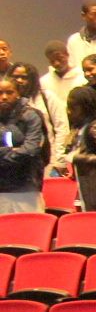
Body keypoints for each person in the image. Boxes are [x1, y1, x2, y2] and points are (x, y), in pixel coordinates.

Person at [0, 78, 48, 214]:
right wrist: (11, 150)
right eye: (0, 93)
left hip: (26, 186)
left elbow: (30, 150)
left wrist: (2, 155)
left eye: (9, 92)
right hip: (1, 187)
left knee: (30, 226)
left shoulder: (31, 116)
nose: (4, 97)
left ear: (18, 93)